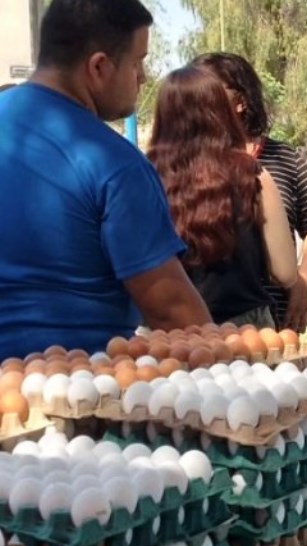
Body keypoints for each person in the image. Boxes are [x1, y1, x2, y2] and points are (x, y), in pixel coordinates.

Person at [0, 0, 210, 359]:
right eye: (138, 62)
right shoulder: (113, 163)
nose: (143, 77)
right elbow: (172, 311)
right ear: (98, 67)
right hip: (75, 393)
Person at [191, 53, 307, 334]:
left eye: (209, 91)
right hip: (204, 320)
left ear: (240, 101)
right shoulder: (185, 164)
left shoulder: (283, 158)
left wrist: (303, 282)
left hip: (275, 321)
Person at [147, 67, 298, 327]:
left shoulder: (143, 175)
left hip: (167, 329)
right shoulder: (253, 174)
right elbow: (284, 273)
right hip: (244, 329)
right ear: (220, 113)